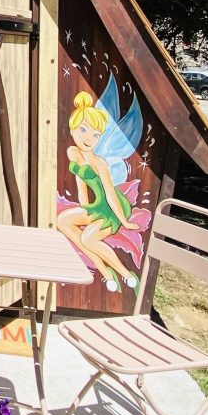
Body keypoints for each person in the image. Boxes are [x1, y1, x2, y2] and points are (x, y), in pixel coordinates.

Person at [56, 91, 140, 292]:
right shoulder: (73, 152)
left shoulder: (99, 163)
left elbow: (110, 193)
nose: (89, 138)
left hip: (113, 207)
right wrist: (85, 208)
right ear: (73, 128)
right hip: (97, 205)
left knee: (88, 238)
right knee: (62, 221)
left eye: (95, 134)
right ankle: (105, 272)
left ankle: (126, 274)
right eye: (84, 129)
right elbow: (80, 182)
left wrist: (124, 220)